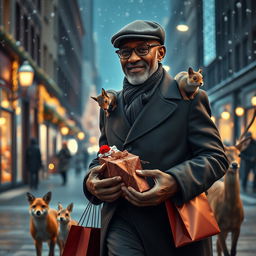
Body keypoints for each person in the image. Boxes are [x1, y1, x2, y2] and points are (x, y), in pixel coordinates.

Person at [83, 20, 229, 256]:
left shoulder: (189, 99)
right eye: (125, 52)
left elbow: (215, 158)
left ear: (160, 52)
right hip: (121, 222)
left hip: (174, 227)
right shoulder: (110, 104)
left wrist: (174, 181)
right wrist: (91, 182)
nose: (132, 59)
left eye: (142, 49)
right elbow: (103, 155)